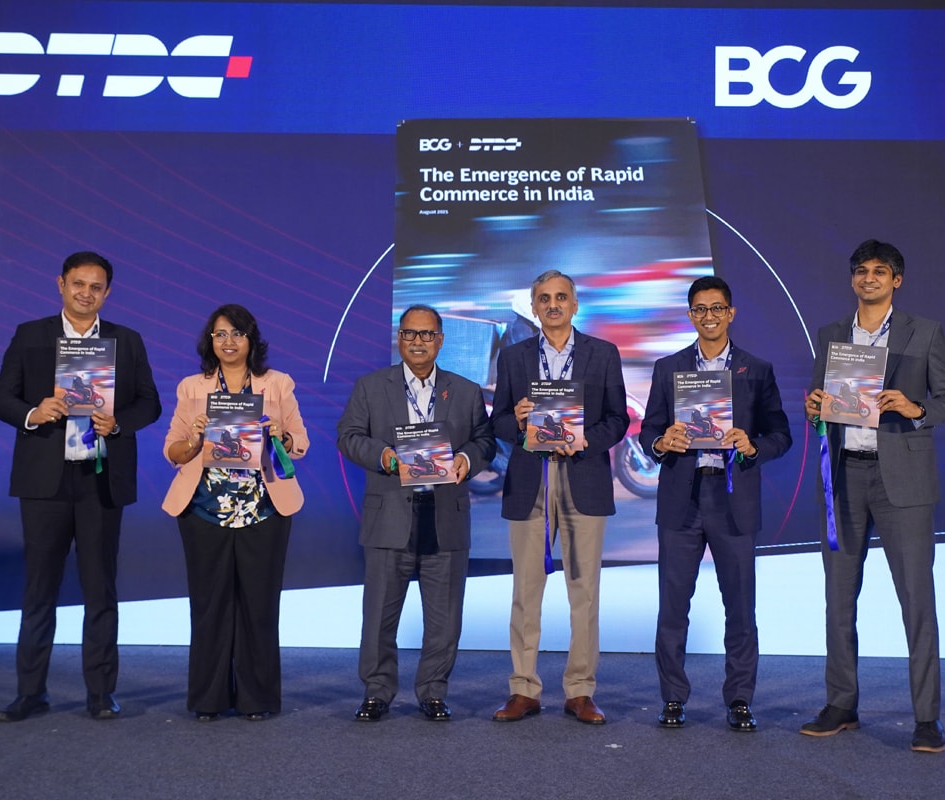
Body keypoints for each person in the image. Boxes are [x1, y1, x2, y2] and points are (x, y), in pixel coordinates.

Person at [801, 239, 945, 753]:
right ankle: (841, 704)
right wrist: (813, 408)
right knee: (837, 598)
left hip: (904, 481)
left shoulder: (925, 332)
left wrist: (915, 408)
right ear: (852, 278)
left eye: (879, 271)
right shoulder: (832, 335)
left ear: (897, 279)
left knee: (916, 600)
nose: (868, 278)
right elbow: (819, 410)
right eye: (860, 270)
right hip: (844, 477)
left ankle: (927, 717)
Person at [0, 251, 162, 722]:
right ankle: (30, 693)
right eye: (78, 284)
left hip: (100, 479)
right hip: (43, 480)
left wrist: (117, 423)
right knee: (39, 590)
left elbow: (150, 403)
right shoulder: (30, 335)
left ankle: (101, 694)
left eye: (96, 287)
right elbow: (1, 399)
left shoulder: (126, 341)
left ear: (107, 293)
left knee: (100, 589)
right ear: (61, 285)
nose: (86, 293)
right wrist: (33, 412)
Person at [639, 276, 792, 731]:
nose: (709, 316)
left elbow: (781, 434)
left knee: (740, 607)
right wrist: (661, 442)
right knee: (672, 606)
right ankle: (673, 698)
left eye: (717, 308)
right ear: (691, 315)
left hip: (733, 499)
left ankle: (740, 698)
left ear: (731, 313)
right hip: (681, 499)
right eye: (700, 309)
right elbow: (648, 431)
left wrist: (753, 445)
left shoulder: (756, 369)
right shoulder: (668, 368)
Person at [337, 305, 495, 721]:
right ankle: (377, 692)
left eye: (427, 334)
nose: (418, 342)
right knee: (379, 616)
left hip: (445, 516)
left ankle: (433, 692)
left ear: (440, 340)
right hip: (390, 515)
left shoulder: (466, 390)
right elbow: (348, 436)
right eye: (410, 333)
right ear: (399, 339)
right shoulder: (371, 387)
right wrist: (384, 456)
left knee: (444, 619)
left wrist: (466, 459)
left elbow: (485, 440)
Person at [490, 270, 629, 725]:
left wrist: (586, 440)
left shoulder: (603, 353)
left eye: (561, 297)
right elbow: (499, 423)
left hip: (583, 476)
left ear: (574, 304)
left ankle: (580, 691)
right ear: (534, 307)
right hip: (531, 478)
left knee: (584, 592)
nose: (553, 305)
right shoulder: (514, 357)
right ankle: (523, 688)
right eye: (545, 298)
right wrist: (518, 420)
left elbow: (618, 420)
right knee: (525, 591)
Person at [162, 304, 309, 722]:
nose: (229, 342)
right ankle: (208, 699)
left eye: (237, 334)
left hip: (264, 509)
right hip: (204, 510)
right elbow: (172, 451)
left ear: (252, 340)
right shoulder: (192, 387)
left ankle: (255, 698)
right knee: (209, 606)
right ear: (210, 341)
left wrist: (280, 437)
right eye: (220, 334)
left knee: (259, 607)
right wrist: (194, 440)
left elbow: (300, 443)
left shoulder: (277, 384)